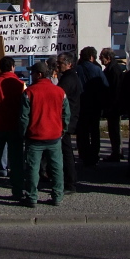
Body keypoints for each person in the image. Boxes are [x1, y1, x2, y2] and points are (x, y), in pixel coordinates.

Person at [18, 61, 70, 207]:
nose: (31, 75)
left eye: (33, 73)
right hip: (54, 136)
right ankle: (57, 196)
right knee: (56, 168)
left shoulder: (29, 92)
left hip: (35, 136)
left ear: (39, 74)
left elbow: (24, 117)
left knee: (33, 169)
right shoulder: (60, 91)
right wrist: (62, 130)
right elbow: (66, 114)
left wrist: (23, 133)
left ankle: (32, 197)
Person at [0, 56, 26, 202]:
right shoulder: (20, 84)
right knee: (16, 160)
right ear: (13, 67)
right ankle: (17, 189)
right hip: (15, 126)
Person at [76, 46, 109, 167]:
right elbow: (105, 86)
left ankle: (83, 154)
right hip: (95, 104)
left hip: (81, 104)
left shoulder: (77, 69)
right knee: (94, 131)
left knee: (82, 131)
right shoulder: (97, 69)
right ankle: (94, 155)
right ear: (92, 57)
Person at [56, 53, 82, 193]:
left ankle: (70, 183)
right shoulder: (69, 77)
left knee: (66, 152)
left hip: (66, 120)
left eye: (60, 63)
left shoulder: (69, 79)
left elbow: (59, 97)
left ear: (69, 64)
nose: (58, 65)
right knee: (64, 151)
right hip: (68, 118)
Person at [99, 48, 126, 162]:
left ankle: (117, 151)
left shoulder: (113, 70)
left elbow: (115, 89)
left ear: (108, 58)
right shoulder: (113, 68)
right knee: (113, 128)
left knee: (114, 128)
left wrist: (112, 104)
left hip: (114, 105)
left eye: (102, 57)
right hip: (113, 104)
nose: (100, 59)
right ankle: (117, 151)